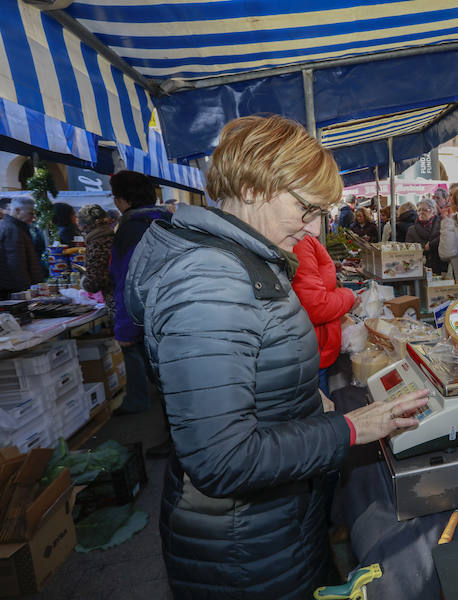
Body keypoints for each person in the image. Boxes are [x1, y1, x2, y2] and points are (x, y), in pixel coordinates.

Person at [124, 115, 427, 598]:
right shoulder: (210, 281)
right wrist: (352, 428)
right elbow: (222, 458)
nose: (310, 229)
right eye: (306, 209)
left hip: (269, 527)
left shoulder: (239, 260)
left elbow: (251, 376)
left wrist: (310, 400)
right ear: (249, 186)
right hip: (243, 548)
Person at [109, 170, 171, 415]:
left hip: (147, 314)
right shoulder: (167, 221)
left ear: (124, 199)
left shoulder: (131, 229)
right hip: (174, 310)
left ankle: (138, 401)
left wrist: (124, 328)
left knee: (136, 352)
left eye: (115, 196)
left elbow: (128, 281)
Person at [292, 235, 356, 397]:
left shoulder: (303, 240)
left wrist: (329, 267)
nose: (314, 227)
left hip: (316, 348)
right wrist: (349, 296)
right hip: (313, 350)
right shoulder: (301, 242)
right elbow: (316, 306)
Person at [0, 197, 44, 299]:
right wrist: (26, 290)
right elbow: (16, 263)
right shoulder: (12, 229)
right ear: (17, 210)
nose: (33, 217)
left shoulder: (11, 226)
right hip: (14, 289)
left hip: (10, 287)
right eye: (30, 213)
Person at [76, 204, 115, 304]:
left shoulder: (97, 243)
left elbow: (94, 282)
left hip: (116, 299)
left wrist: (83, 282)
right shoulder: (113, 237)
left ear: (85, 226)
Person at [406, 198, 447, 274]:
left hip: (441, 267)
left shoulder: (443, 225)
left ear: (433, 212)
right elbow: (409, 250)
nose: (421, 212)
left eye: (425, 210)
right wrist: (424, 248)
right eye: (419, 210)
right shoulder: (412, 230)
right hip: (419, 268)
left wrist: (431, 245)